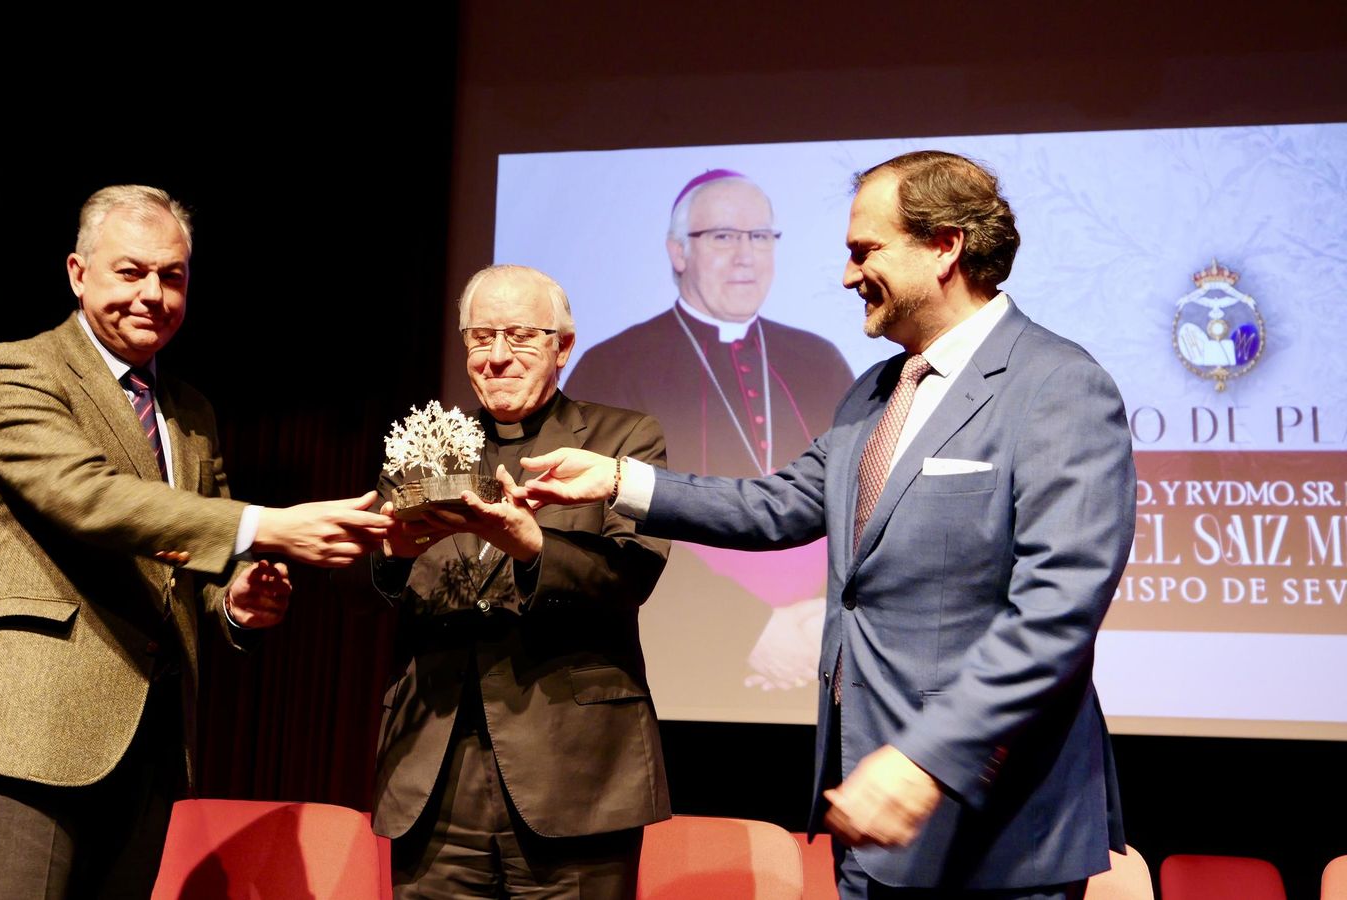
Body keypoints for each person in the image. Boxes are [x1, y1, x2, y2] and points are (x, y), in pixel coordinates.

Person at [520, 152, 1134, 898]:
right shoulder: (875, 391)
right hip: (870, 819)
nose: (848, 277)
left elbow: (1057, 611)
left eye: (864, 251)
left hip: (989, 823)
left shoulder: (1057, 386)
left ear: (945, 246)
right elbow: (778, 506)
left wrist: (926, 760)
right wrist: (619, 478)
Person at [0, 185, 390, 899]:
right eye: (130, 272)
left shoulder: (190, 412)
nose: (152, 294)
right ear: (79, 274)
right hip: (30, 724)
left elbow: (196, 561)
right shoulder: (19, 371)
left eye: (171, 276)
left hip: (150, 736)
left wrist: (237, 605)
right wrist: (268, 524)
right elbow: (89, 498)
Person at [370, 264, 670, 899]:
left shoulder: (622, 439)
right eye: (481, 338)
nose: (497, 357)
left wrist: (533, 546)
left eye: (521, 337)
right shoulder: (428, 445)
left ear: (563, 346)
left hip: (574, 772)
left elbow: (632, 575)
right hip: (435, 769)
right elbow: (388, 590)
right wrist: (390, 559)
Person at [566, 170, 856, 697]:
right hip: (673, 665)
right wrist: (752, 624)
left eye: (760, 236)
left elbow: (856, 500)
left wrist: (825, 622)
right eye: (723, 236)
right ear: (678, 252)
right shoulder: (613, 366)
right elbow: (599, 527)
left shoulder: (820, 359)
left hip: (816, 657)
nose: (746, 255)